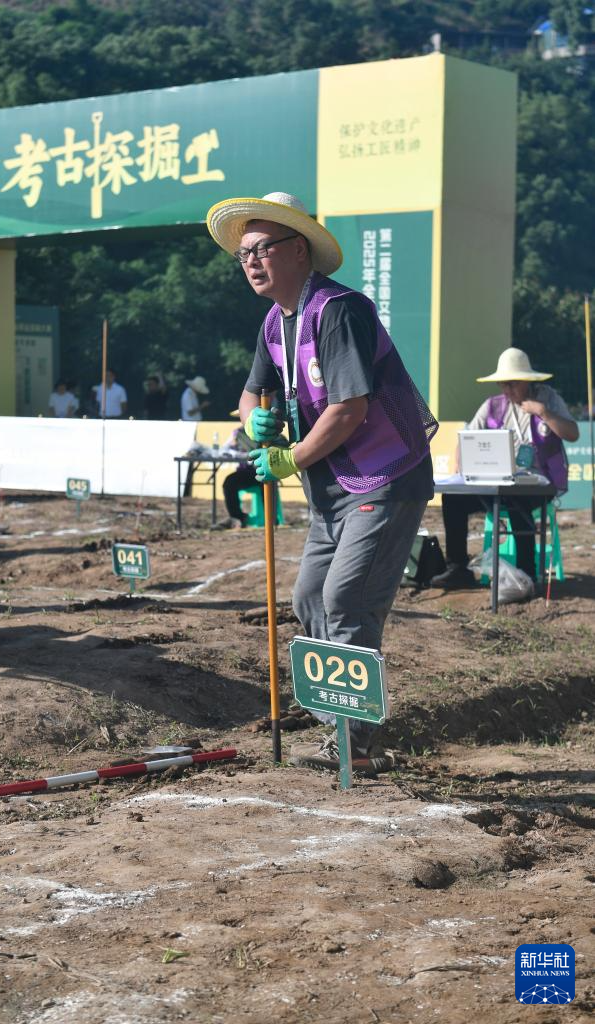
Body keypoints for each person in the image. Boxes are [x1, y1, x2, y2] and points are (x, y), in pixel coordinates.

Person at [206, 191, 438, 775]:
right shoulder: (274, 323)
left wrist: (291, 458)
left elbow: (349, 409)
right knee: (310, 599)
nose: (251, 261)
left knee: (346, 600)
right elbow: (250, 395)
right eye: (243, 254)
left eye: (262, 248)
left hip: (383, 479)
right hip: (332, 491)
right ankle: (340, 720)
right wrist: (253, 421)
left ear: (299, 250)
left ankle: (355, 743)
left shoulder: (339, 311)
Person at [431, 347, 578, 591]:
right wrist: (460, 470)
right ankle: (457, 568)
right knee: (453, 499)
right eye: (502, 384)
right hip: (498, 484)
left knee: (517, 500)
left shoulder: (548, 399)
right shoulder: (493, 406)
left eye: (512, 383)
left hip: (538, 485)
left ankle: (526, 575)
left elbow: (572, 434)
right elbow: (465, 440)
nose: (507, 390)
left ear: (527, 381)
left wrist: (543, 412)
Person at [212, 420, 265, 530]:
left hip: (261, 471)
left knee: (266, 483)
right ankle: (237, 517)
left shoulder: (263, 430)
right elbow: (224, 449)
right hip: (245, 471)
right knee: (229, 482)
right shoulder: (238, 433)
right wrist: (233, 445)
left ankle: (271, 518)